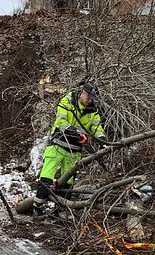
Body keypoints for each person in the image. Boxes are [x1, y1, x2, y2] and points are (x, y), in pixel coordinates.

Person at [33, 82, 106, 215]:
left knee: (68, 182)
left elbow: (97, 128)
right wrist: (77, 134)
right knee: (47, 177)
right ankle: (37, 206)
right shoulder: (67, 101)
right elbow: (61, 121)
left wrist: (103, 141)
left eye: (92, 99)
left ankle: (60, 210)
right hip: (58, 143)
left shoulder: (93, 111)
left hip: (74, 150)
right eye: (88, 97)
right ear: (82, 93)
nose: (89, 101)